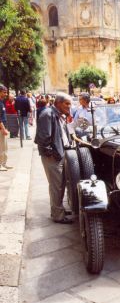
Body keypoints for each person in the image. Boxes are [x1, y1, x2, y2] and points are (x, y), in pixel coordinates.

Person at [34, 92, 73, 224]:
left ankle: (58, 209)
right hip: (53, 157)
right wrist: (52, 154)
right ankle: (58, 215)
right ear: (58, 103)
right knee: (56, 186)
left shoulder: (57, 114)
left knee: (60, 185)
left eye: (70, 104)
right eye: (67, 104)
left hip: (59, 154)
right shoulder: (47, 114)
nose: (69, 106)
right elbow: (43, 138)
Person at [0, 84, 13, 171]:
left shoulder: (1, 102)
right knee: (1, 147)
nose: (6, 94)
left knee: (5, 147)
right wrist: (3, 129)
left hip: (3, 127)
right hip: (1, 128)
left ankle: (4, 163)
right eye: (4, 92)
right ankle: (1, 164)